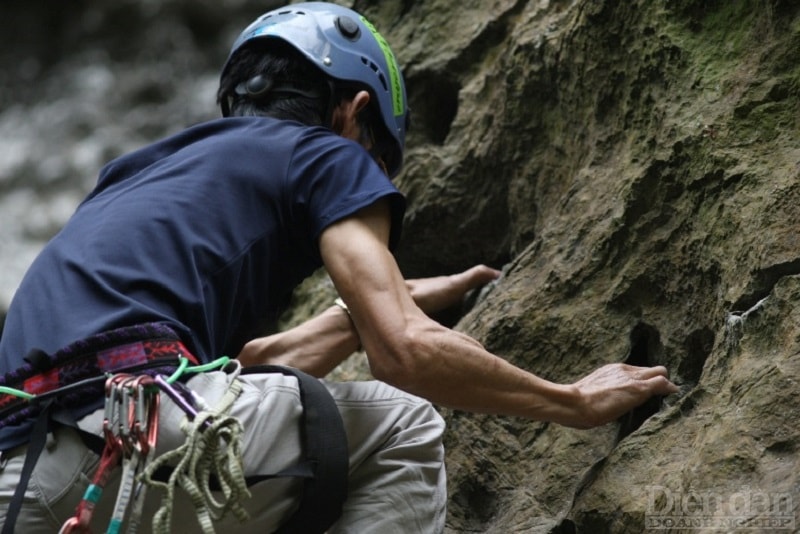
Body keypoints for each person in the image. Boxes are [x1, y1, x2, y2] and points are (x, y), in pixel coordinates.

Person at [0, 2, 678, 533]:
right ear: (354, 114)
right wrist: (573, 401)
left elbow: (251, 365)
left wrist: (355, 317)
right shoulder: (325, 153)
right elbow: (405, 353)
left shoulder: (135, 177)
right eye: (379, 161)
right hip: (134, 439)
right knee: (405, 426)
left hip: (23, 476)